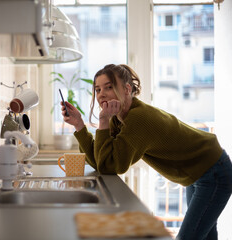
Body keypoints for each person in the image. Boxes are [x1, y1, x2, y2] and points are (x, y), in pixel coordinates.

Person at [60, 64, 232, 240]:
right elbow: (101, 161)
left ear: (127, 89)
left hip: (212, 170)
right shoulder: (120, 118)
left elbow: (110, 166)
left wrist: (103, 121)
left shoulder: (137, 118)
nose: (101, 94)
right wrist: (79, 125)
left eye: (109, 87)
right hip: (200, 170)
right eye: (97, 89)